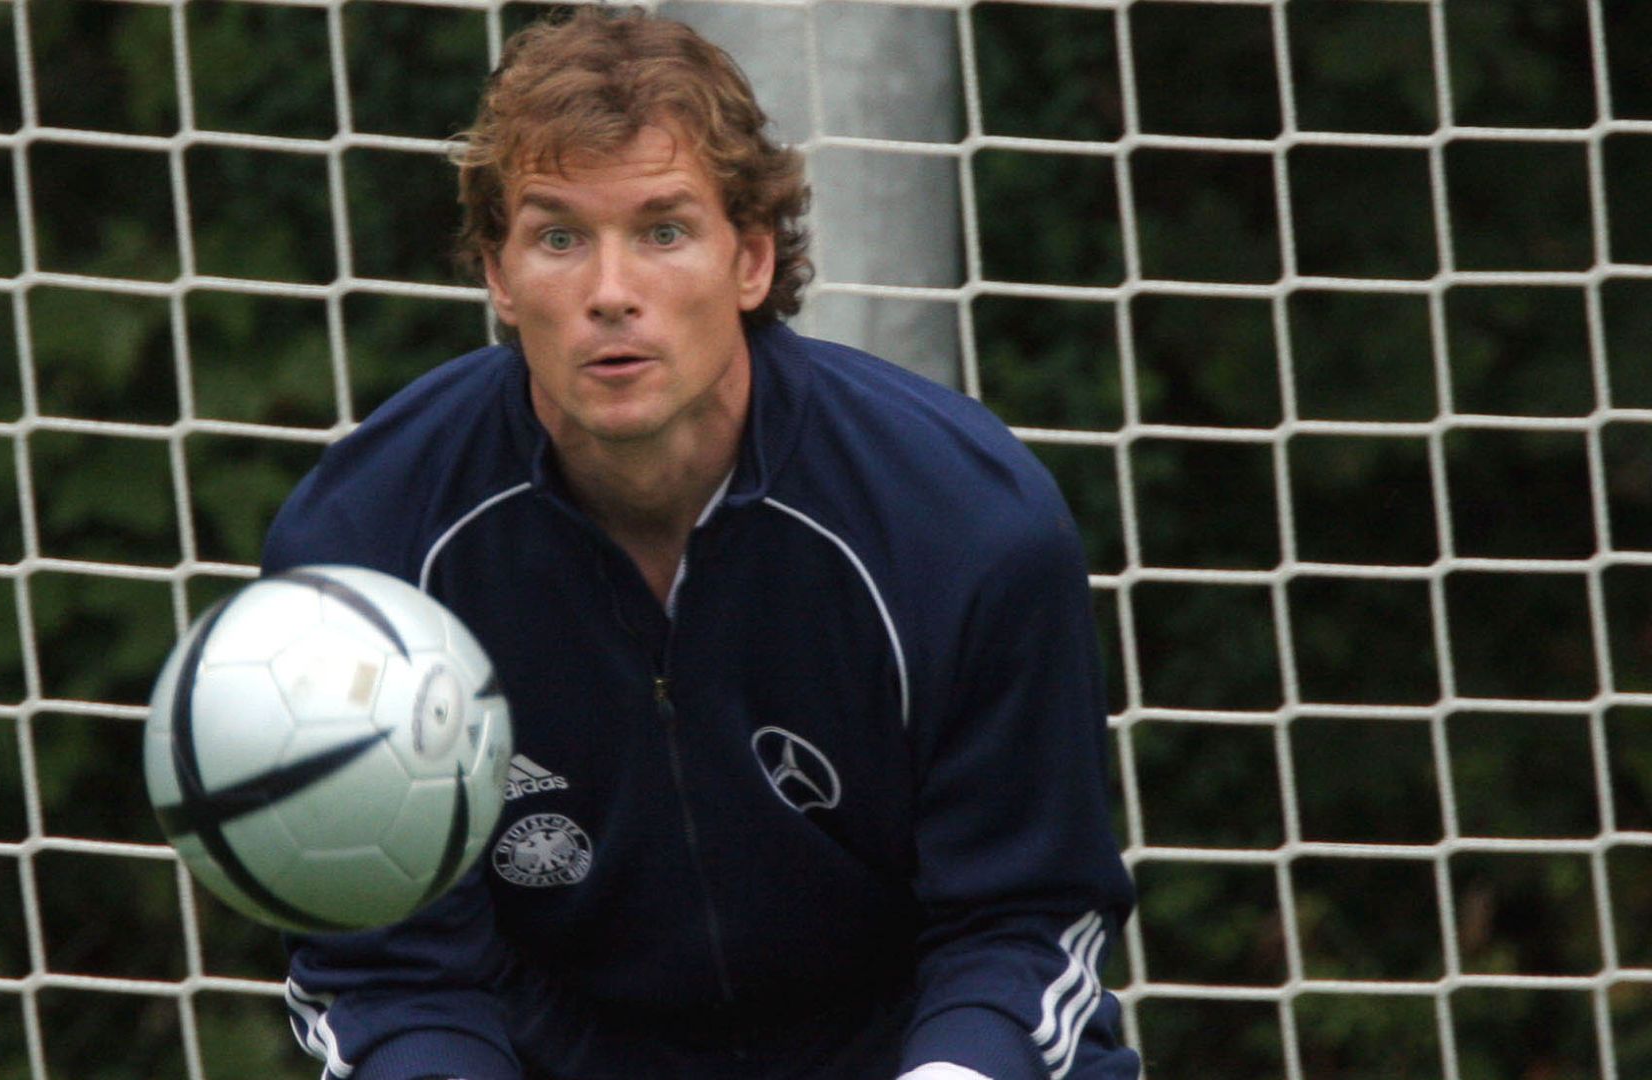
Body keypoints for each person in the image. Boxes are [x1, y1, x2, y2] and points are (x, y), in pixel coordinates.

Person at [260, 8, 1138, 1079]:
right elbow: (391, 971)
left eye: (664, 230)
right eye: (558, 236)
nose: (610, 292)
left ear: (753, 260)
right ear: (497, 274)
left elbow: (1024, 926)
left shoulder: (969, 528)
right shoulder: (365, 558)